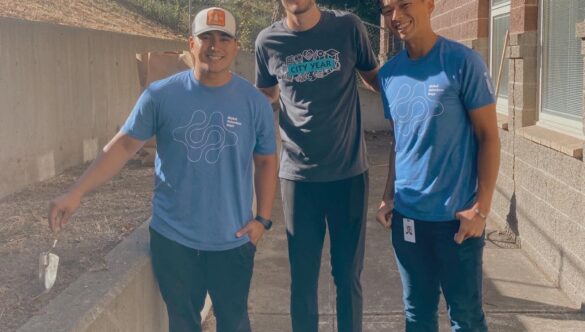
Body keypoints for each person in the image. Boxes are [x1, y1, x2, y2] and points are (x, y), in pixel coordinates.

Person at [48, 7, 277, 332]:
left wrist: (262, 220)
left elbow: (266, 160)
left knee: (235, 322)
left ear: (235, 46)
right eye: (206, 37)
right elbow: (124, 145)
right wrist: (75, 193)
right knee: (182, 324)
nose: (215, 46)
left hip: (233, 240)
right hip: (174, 240)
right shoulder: (160, 95)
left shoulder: (253, 102)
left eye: (224, 37)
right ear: (191, 44)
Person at [375, 0, 500, 331]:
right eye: (388, 9)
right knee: (417, 315)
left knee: (466, 318)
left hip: (457, 222)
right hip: (408, 220)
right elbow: (400, 141)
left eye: (404, 4)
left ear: (429, 4)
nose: (396, 16)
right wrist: (389, 195)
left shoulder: (462, 62)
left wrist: (482, 208)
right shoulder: (389, 75)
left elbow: (489, 137)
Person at [255, 1, 379, 331]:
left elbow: (375, 79)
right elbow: (264, 95)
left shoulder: (348, 27)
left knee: (348, 277)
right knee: (303, 280)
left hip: (349, 174)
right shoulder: (267, 42)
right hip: (298, 178)